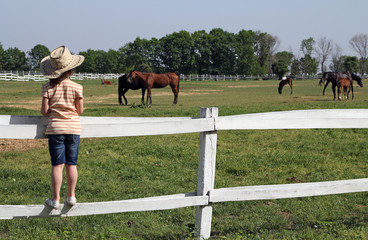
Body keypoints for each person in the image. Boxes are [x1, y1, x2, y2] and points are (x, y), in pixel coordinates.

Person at [40, 46, 85, 209]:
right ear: (71, 69)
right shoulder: (77, 87)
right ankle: (71, 196)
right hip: (73, 130)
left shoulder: (47, 87)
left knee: (57, 165)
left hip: (55, 130)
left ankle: (55, 198)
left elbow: (45, 112)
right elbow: (79, 111)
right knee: (71, 164)